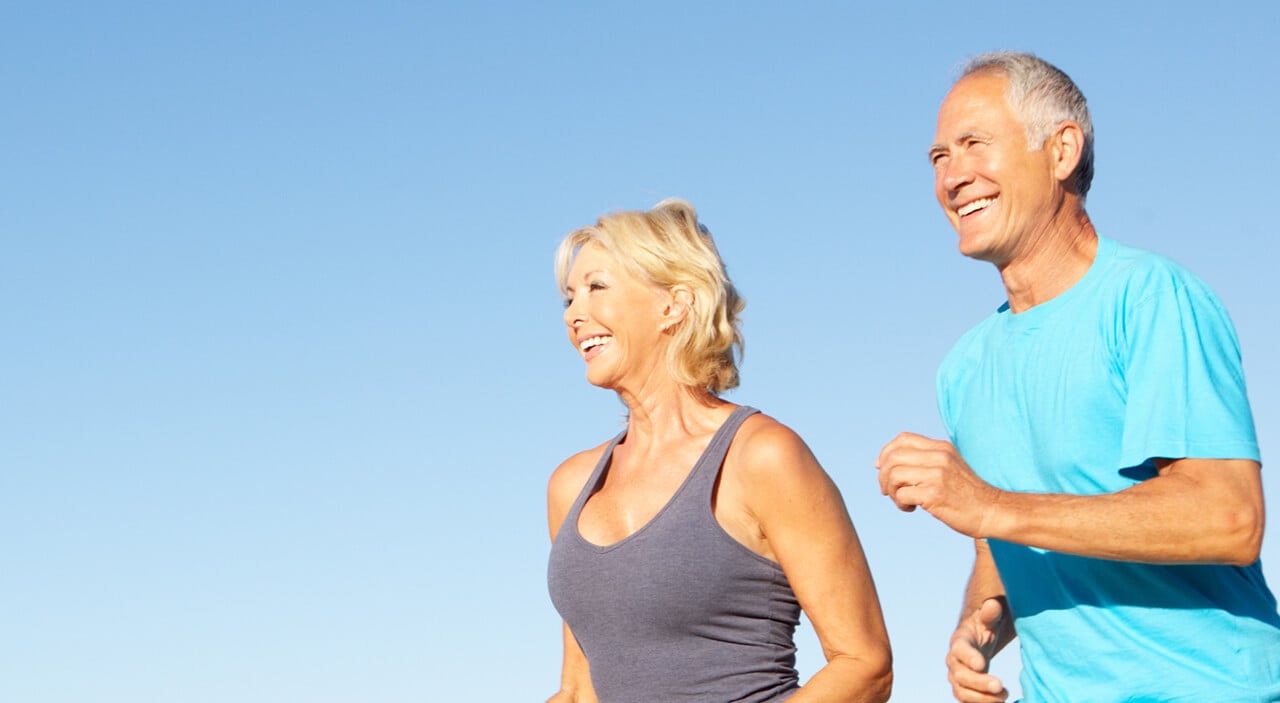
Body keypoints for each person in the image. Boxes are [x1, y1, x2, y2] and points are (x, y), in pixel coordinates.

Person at [876, 51, 1280, 703]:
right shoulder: (964, 367)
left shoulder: (1151, 299)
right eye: (938, 158)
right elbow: (1001, 543)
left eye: (974, 144)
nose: (952, 176)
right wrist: (980, 626)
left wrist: (987, 503)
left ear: (1062, 150)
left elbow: (1228, 516)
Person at [546, 199, 892, 703]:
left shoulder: (762, 457)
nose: (576, 314)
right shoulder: (571, 486)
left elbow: (865, 665)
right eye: (569, 298)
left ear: (674, 304)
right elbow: (578, 690)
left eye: (597, 287)